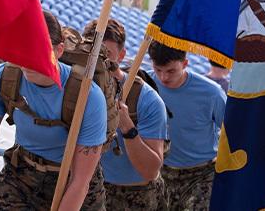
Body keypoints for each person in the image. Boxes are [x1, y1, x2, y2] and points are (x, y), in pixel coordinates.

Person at [0, 11, 108, 209]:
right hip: (22, 174)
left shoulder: (89, 97)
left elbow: (80, 181)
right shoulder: (6, 78)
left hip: (70, 179)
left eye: (37, 53)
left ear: (59, 50)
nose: (27, 61)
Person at [92, 19, 167, 210]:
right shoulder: (79, 88)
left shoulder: (146, 100)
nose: (98, 60)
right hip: (95, 189)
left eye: (106, 54)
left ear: (121, 55)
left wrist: (127, 127)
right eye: (93, 51)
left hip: (138, 196)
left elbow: (150, 170)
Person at [148, 41, 225, 210]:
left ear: (185, 64)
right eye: (158, 70)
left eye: (171, 71)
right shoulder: (146, 86)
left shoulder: (211, 93)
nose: (163, 77)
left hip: (202, 173)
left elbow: (233, 131)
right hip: (162, 172)